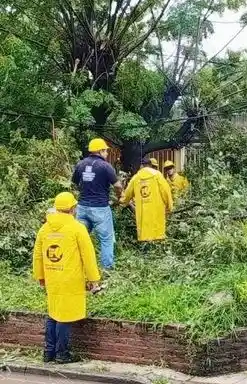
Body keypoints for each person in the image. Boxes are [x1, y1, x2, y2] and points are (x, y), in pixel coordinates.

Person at [33, 192, 101, 364]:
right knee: (65, 317)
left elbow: (38, 256)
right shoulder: (77, 228)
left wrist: (40, 276)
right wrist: (93, 278)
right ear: (72, 208)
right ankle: (62, 354)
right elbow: (88, 256)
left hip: (52, 278)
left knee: (53, 314)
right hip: (70, 279)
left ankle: (48, 353)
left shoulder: (44, 229)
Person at [72, 138, 122, 270]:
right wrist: (119, 197)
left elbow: (75, 182)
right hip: (100, 209)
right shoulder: (106, 166)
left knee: (79, 239)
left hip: (82, 208)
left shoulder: (80, 164)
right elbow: (117, 186)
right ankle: (107, 270)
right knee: (106, 240)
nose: (106, 154)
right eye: (105, 151)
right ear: (100, 151)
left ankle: (77, 267)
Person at [120, 157, 174, 243]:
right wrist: (169, 208)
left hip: (143, 223)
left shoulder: (135, 178)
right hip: (157, 218)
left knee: (145, 243)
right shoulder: (157, 175)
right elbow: (166, 192)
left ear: (141, 166)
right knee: (158, 242)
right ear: (150, 165)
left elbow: (126, 197)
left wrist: (121, 202)